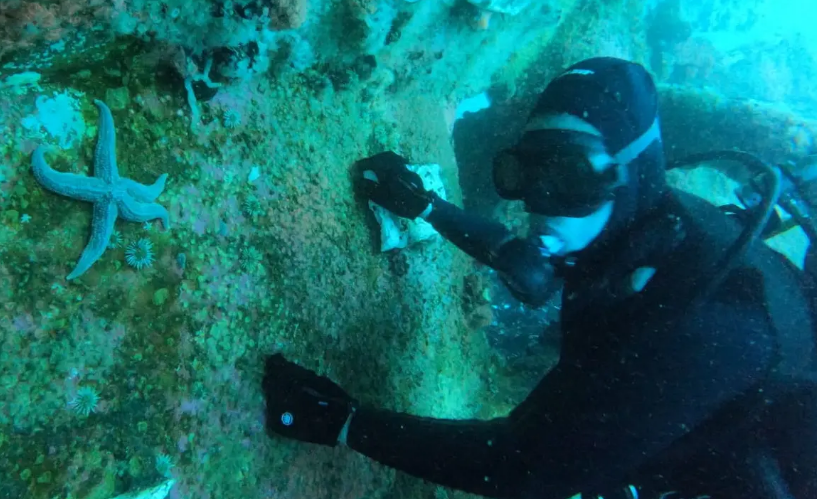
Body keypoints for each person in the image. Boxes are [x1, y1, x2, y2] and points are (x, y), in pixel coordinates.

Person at [261, 58, 817, 498]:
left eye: (569, 174)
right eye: (526, 172)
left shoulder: (711, 328)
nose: (541, 203)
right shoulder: (646, 226)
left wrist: (344, 424)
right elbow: (537, 266)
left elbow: (526, 468)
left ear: (632, 173)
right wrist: (427, 206)